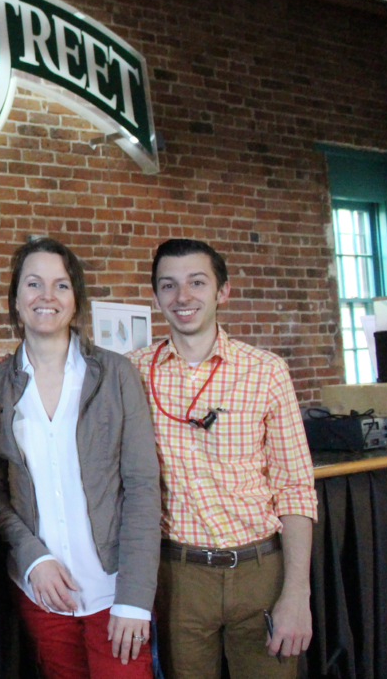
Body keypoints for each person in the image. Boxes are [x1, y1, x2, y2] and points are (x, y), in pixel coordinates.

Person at [124, 239, 316, 679]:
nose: (182, 297)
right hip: (178, 576)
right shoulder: (130, 371)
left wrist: (297, 594)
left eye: (196, 282)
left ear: (222, 291)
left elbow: (296, 488)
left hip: (261, 571)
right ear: (155, 297)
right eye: (168, 286)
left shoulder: (266, 370)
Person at [0, 237, 161, 679]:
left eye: (60, 286)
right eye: (33, 284)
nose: (46, 297)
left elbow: (142, 488)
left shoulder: (117, 375)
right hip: (41, 594)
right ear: (16, 300)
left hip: (116, 594)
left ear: (76, 301)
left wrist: (135, 598)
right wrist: (33, 558)